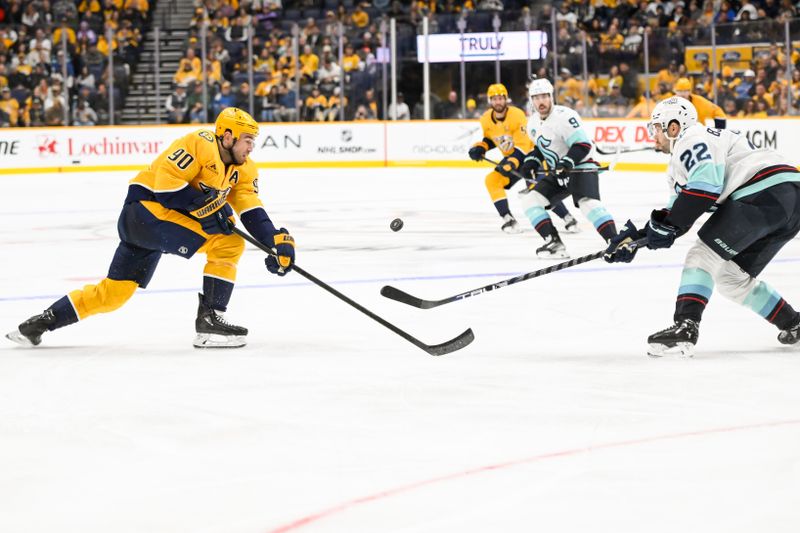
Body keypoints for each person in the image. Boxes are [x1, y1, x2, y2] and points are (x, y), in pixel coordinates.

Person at [6, 108, 296, 350]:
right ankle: (210, 322)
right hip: (145, 211)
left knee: (113, 294)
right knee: (228, 243)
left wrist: (274, 241)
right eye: (247, 139)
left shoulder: (243, 169)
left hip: (150, 224)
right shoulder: (200, 143)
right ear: (228, 135)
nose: (250, 147)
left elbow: (251, 210)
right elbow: (166, 188)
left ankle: (42, 321)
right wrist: (206, 207)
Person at [604, 96, 800, 356]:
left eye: (657, 128)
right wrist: (637, 240)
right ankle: (793, 323)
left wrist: (666, 227)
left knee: (702, 255)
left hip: (762, 194)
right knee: (730, 277)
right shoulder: (686, 158)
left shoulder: (691, 138)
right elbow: (679, 215)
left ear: (674, 127)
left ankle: (686, 326)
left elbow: (704, 189)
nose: (654, 135)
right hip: (790, 200)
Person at [520, 78, 618, 258]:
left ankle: (616, 242)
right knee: (530, 201)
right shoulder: (532, 123)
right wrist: (531, 161)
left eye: (544, 96)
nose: (540, 101)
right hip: (559, 172)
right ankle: (554, 243)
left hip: (580, 165)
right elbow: (541, 148)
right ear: (531, 100)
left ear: (551, 97)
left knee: (586, 203)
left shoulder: (565, 116)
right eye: (536, 97)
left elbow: (582, 145)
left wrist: (566, 162)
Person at [469, 83, 577, 234]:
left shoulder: (517, 115)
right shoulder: (485, 119)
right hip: (511, 160)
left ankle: (567, 218)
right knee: (492, 180)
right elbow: (491, 139)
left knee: (538, 190)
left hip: (530, 158)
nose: (498, 102)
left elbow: (524, 144)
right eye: (494, 99)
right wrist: (481, 147)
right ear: (490, 101)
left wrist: (512, 162)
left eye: (501, 98)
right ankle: (508, 219)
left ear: (506, 99)